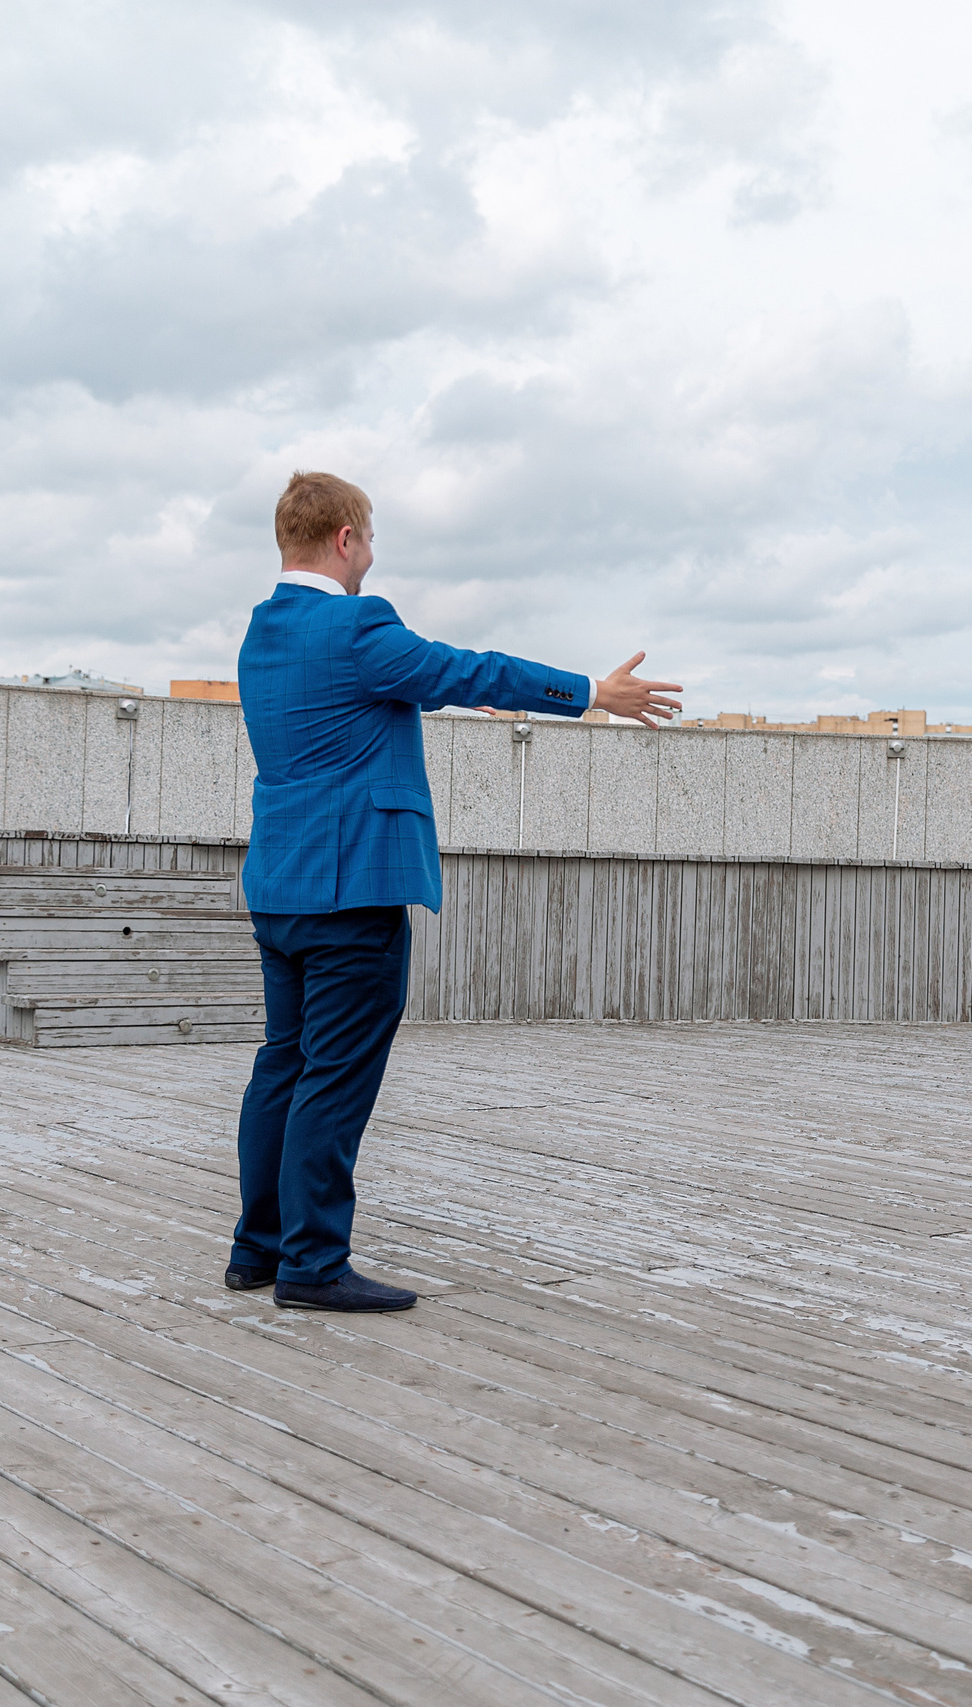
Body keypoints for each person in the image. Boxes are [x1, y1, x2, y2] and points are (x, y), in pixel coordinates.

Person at [228, 472, 681, 1310]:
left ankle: (257, 1247)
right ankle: (313, 1263)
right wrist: (589, 694)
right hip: (354, 887)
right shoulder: (359, 624)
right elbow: (470, 673)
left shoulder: (262, 632)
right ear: (345, 539)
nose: (371, 553)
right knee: (333, 1076)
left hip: (279, 884)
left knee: (282, 1064)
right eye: (370, 537)